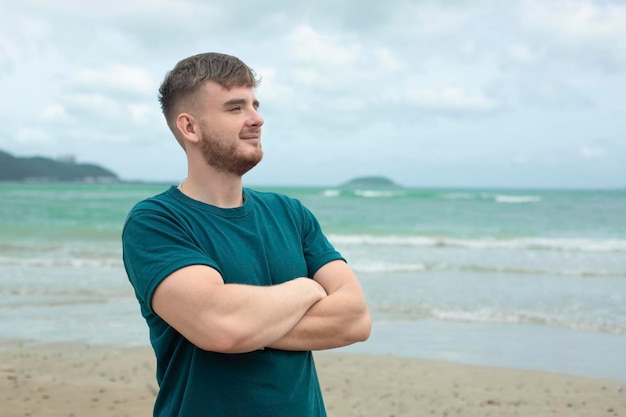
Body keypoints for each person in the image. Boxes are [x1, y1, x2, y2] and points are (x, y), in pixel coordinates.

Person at [122, 52, 371, 417]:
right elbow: (222, 327)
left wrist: (244, 325)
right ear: (190, 127)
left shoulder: (291, 213)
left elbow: (356, 320)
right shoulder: (156, 221)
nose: (257, 119)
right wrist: (308, 289)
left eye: (254, 104)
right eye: (235, 108)